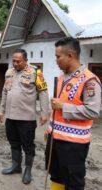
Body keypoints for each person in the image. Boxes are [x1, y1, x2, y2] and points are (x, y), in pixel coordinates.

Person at [45, 37, 101, 190]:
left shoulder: (90, 80)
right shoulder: (62, 78)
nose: (56, 60)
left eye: (58, 56)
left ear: (70, 55)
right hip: (55, 137)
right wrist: (50, 130)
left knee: (73, 182)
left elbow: (93, 111)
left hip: (73, 144)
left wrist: (63, 107)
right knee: (55, 175)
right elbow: (56, 109)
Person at [0, 48, 49, 184]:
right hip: (10, 116)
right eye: (13, 61)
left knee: (27, 145)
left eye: (18, 61)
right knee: (13, 142)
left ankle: (28, 170)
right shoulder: (9, 72)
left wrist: (45, 113)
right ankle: (16, 166)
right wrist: (1, 110)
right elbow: (5, 91)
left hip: (26, 118)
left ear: (26, 60)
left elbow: (43, 92)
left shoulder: (35, 72)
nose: (15, 64)